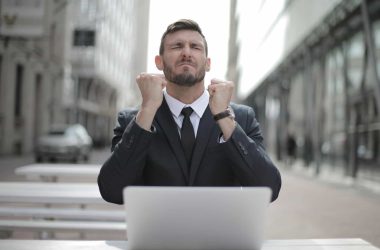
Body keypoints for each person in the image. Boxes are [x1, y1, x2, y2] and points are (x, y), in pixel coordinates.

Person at [98, 19, 281, 204]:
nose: (186, 53)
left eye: (195, 47)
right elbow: (112, 190)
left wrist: (223, 117)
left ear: (208, 63)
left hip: (222, 233)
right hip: (159, 233)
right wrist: (147, 109)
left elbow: (268, 189)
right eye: (177, 46)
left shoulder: (242, 117)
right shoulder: (134, 120)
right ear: (159, 62)